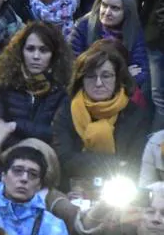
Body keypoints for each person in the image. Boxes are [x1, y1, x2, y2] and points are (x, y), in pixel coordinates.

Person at [53, 40, 153, 184]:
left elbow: (135, 163)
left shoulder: (134, 113)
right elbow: (64, 159)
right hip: (72, 186)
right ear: (81, 79)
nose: (99, 83)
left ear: (117, 79)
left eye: (106, 76)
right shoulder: (67, 110)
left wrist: (85, 162)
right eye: (91, 76)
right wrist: (117, 163)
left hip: (122, 187)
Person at [0, 21, 72, 148]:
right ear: (21, 51)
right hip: (6, 157)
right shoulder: (1, 85)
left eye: (43, 50)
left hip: (46, 157)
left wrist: (16, 125)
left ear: (54, 55)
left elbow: (58, 134)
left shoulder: (62, 90)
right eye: (30, 49)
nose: (36, 56)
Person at [70, 0, 151, 94]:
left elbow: (141, 71)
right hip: (85, 90)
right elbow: (73, 64)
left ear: (127, 11)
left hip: (121, 93)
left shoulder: (135, 30)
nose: (107, 12)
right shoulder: (83, 25)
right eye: (104, 5)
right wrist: (122, 74)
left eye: (115, 8)